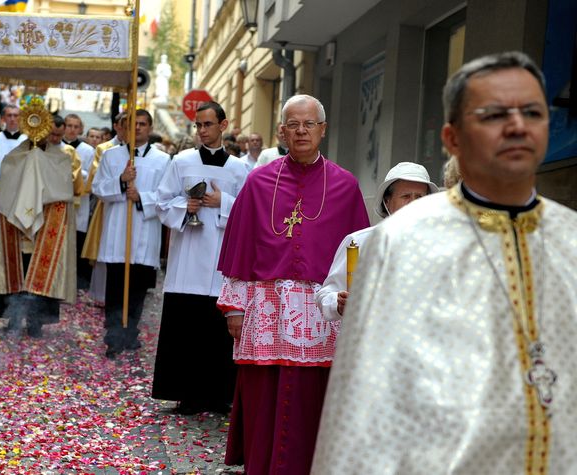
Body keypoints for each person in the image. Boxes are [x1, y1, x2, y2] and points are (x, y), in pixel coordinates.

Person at [312, 51, 577, 474]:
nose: (516, 127)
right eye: (491, 115)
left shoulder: (570, 240)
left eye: (532, 112)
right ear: (454, 138)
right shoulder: (395, 245)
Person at [216, 94, 369, 474]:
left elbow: (359, 256)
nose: (301, 132)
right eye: (293, 125)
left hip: (320, 311)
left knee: (311, 397)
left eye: (309, 124)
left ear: (323, 130)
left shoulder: (345, 185)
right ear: (281, 131)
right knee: (264, 393)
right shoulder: (258, 182)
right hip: (267, 308)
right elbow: (240, 248)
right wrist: (235, 306)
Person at [152, 102, 249, 414]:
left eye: (208, 124)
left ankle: (218, 393)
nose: (203, 131)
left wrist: (224, 202)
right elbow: (161, 201)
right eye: (198, 125)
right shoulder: (181, 161)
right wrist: (185, 207)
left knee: (216, 329)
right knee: (186, 326)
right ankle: (186, 393)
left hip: (221, 254)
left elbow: (250, 212)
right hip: (187, 256)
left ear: (223, 125)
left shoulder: (239, 168)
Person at [0, 114, 83, 337]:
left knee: (41, 270)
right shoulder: (15, 155)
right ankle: (14, 317)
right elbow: (7, 184)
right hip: (16, 224)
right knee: (19, 268)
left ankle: (37, 320)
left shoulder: (62, 158)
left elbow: (69, 188)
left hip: (48, 222)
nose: (44, 136)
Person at [316, 162, 438, 321]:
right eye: (406, 196)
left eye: (419, 197)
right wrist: (338, 303)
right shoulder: (359, 242)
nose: (413, 203)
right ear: (387, 202)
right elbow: (325, 295)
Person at [92, 110, 169, 358]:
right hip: (118, 230)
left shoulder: (163, 159)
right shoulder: (111, 155)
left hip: (145, 230)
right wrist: (122, 181)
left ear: (150, 128)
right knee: (115, 287)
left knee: (137, 288)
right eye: (133, 124)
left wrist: (143, 197)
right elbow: (98, 189)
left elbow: (167, 196)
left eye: (143, 124)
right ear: (124, 127)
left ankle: (130, 332)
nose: (137, 128)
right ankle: (114, 336)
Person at [82, 112, 128, 306]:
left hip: (131, 203)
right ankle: (101, 293)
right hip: (108, 203)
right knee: (106, 246)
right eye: (124, 125)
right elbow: (96, 179)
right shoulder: (104, 149)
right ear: (117, 126)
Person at [63, 113, 96, 289]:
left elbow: (90, 177)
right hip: (57, 200)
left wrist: (74, 171)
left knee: (75, 243)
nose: (72, 130)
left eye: (76, 127)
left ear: (81, 129)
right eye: (69, 126)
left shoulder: (87, 150)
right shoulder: (56, 146)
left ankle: (73, 282)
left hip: (79, 203)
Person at [0, 105, 26, 188]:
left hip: (20, 186)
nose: (12, 119)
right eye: (9, 115)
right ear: (3, 119)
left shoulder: (27, 141)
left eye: (15, 115)